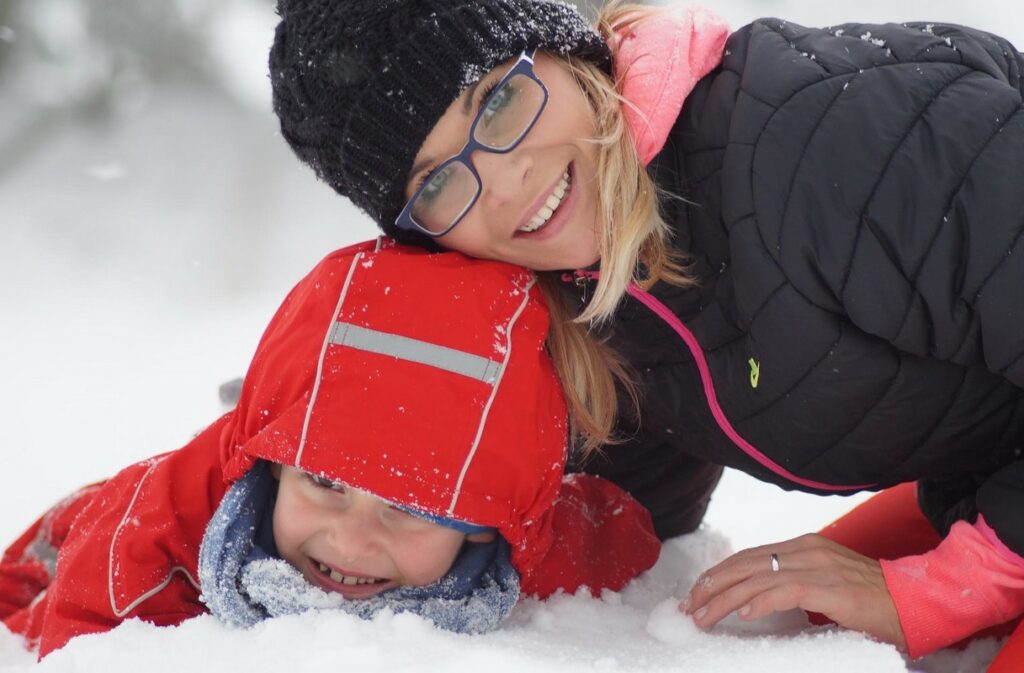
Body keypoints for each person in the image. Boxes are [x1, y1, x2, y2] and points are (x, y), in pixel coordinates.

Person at [266, 0, 1024, 662]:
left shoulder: (825, 145)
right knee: (793, 621)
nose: (503, 182)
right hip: (987, 475)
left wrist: (948, 586)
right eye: (436, 183)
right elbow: (615, 508)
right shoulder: (587, 289)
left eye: (497, 103)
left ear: (562, 51)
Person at [0, 240, 660, 658]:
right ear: (276, 467)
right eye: (325, 482)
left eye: (409, 507)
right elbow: (73, 644)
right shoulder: (148, 535)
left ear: (490, 526)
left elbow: (615, 532)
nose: (350, 541)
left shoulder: (524, 547)